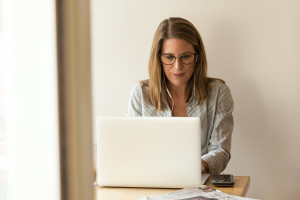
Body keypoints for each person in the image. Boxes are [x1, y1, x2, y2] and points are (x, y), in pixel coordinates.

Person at [126, 17, 234, 175]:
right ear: (159, 58)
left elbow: (221, 151)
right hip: (150, 182)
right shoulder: (140, 93)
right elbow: (131, 150)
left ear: (196, 56)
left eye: (185, 57)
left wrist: (193, 167)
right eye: (169, 57)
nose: (177, 67)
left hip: (198, 185)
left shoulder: (218, 93)